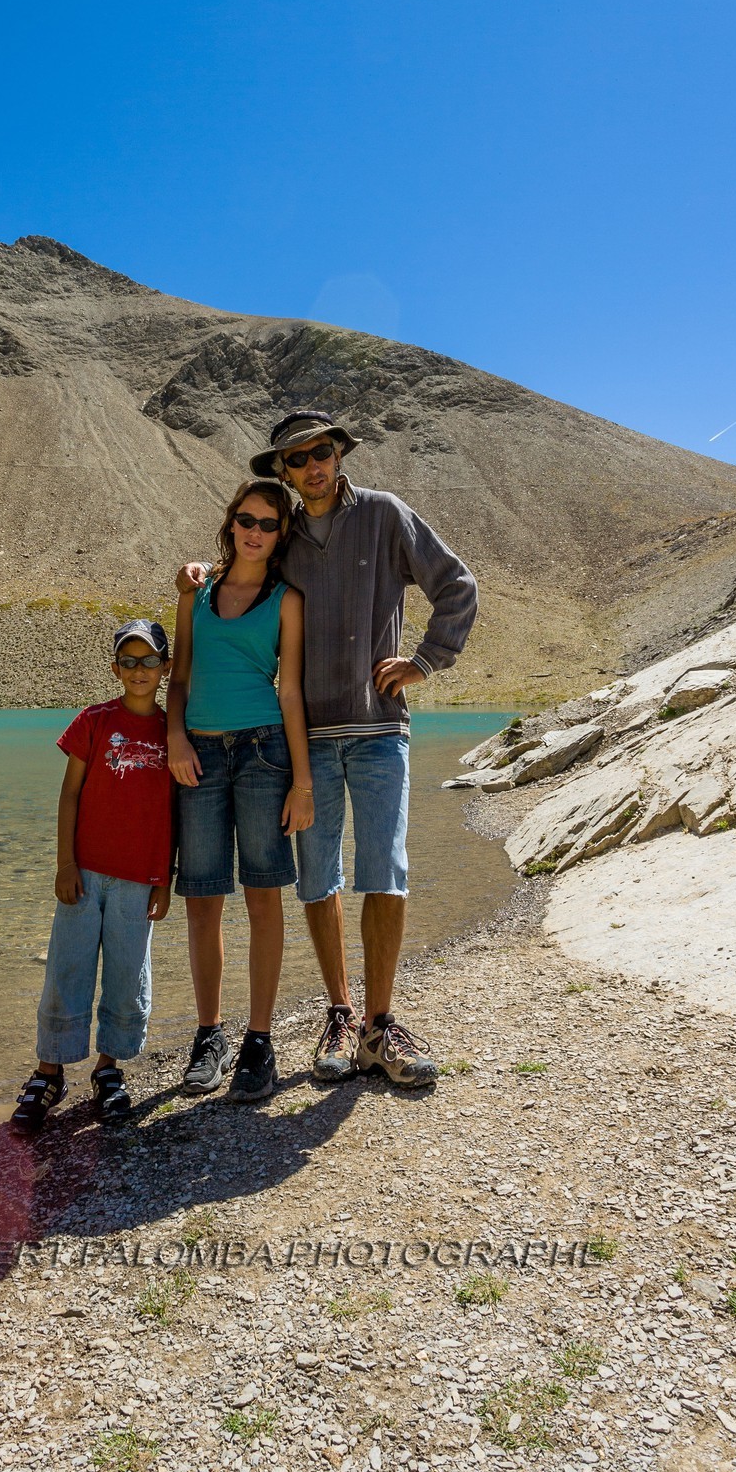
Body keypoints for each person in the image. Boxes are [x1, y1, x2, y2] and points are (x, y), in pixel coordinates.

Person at [177, 410, 477, 1088]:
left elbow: (457, 586)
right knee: (317, 877)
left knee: (384, 871)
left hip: (377, 728)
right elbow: (240, 573)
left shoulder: (384, 514)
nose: (312, 465)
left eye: (321, 452)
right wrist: (193, 575)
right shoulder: (283, 538)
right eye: (297, 458)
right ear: (283, 472)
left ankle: (379, 1025)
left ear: (339, 454)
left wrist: (425, 661)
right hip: (304, 741)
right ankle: (339, 1014)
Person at [167, 479, 314, 1102]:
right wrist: (175, 737)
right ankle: (209, 1036)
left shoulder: (287, 600)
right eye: (246, 519)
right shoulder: (196, 592)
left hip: (263, 752)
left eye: (269, 524)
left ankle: (259, 1041)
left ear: (282, 535)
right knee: (202, 899)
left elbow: (290, 691)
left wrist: (302, 782)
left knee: (262, 896)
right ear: (231, 523)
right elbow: (179, 676)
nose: (255, 532)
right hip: (198, 755)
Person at [11, 619, 173, 1128]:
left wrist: (164, 879)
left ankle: (109, 1069)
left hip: (139, 879)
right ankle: (49, 1071)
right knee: (67, 969)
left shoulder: (173, 731)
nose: (139, 670)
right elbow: (70, 794)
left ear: (165, 668)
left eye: (150, 661)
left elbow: (173, 811)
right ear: (115, 668)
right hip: (84, 875)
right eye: (128, 661)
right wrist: (65, 863)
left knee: (128, 974)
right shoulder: (94, 720)